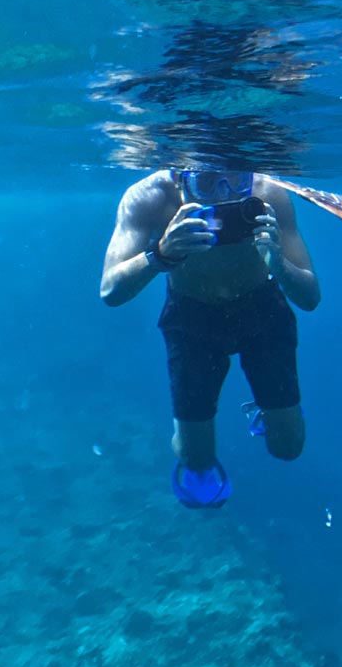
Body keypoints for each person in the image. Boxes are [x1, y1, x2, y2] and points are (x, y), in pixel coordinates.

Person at [100, 167, 320, 509]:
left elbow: (310, 297)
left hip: (262, 311)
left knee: (288, 448)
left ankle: (269, 412)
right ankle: (203, 449)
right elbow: (110, 290)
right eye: (204, 182)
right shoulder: (150, 198)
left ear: (248, 174)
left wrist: (277, 261)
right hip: (192, 319)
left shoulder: (269, 195)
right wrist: (161, 254)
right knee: (196, 460)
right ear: (178, 177)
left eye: (235, 180)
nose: (223, 195)